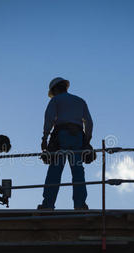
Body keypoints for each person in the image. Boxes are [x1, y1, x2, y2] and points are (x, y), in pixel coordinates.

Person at [38, 77, 93, 210]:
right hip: (78, 137)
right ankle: (80, 205)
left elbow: (49, 119)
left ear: (55, 89)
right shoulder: (80, 101)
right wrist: (86, 141)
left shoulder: (56, 100)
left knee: (55, 171)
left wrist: (44, 138)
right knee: (78, 171)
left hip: (61, 136)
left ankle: (48, 204)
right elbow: (89, 122)